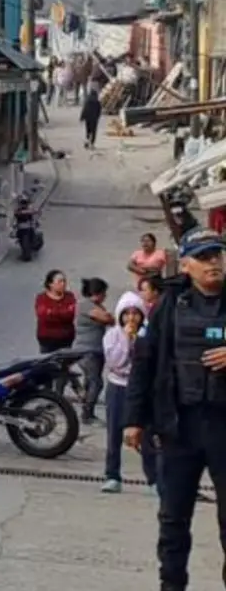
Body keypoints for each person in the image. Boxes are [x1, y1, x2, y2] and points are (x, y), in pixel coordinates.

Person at [125, 226, 226, 591]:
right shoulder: (170, 305)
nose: (213, 263)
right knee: (172, 520)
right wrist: (134, 420)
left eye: (217, 254)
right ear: (185, 266)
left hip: (223, 427)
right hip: (179, 426)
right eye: (203, 258)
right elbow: (145, 361)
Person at [102, 295, 158, 494]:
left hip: (141, 389)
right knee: (114, 432)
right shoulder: (112, 336)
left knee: (146, 435)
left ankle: (153, 479)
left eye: (135, 313)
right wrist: (126, 339)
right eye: (127, 314)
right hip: (118, 386)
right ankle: (112, 475)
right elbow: (115, 362)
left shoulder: (147, 335)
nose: (131, 318)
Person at [74, 278, 115, 424]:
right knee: (96, 382)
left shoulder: (97, 306)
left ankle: (86, 407)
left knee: (90, 381)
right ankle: (87, 413)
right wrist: (108, 317)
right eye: (104, 293)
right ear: (97, 293)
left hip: (96, 350)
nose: (106, 296)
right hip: (86, 351)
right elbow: (107, 319)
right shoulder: (85, 305)